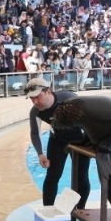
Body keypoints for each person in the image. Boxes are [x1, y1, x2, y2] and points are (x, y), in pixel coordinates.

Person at [24, 77, 90, 209]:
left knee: (81, 176)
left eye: (38, 97)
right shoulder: (36, 111)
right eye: (32, 99)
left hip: (79, 139)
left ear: (48, 91)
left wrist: (90, 141)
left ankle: (80, 209)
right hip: (58, 140)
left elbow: (89, 121)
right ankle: (47, 211)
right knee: (52, 176)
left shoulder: (68, 99)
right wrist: (40, 154)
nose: (35, 102)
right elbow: (35, 133)